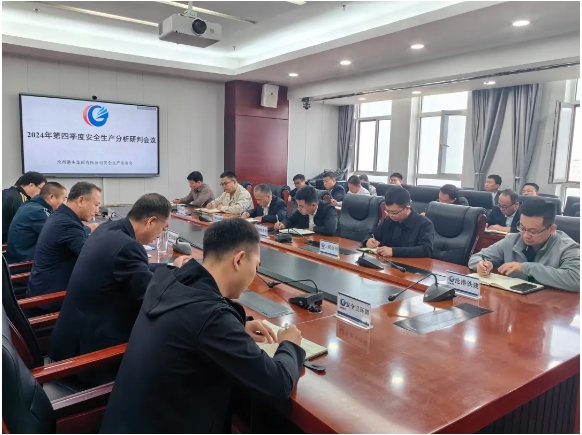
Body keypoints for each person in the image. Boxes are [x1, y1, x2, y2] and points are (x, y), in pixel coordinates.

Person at [100, 218, 306, 433]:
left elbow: (194, 328)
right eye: (256, 266)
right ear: (238, 260)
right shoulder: (211, 317)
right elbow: (277, 384)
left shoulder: (170, 282)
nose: (254, 275)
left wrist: (237, 327)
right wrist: (290, 345)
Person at [49, 193, 190, 385]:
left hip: (69, 340)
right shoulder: (128, 247)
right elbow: (154, 297)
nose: (159, 235)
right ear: (150, 221)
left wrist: (171, 268)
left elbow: (133, 270)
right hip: (91, 358)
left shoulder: (107, 230)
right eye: (163, 229)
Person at [469, 198, 579, 292]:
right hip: (515, 301)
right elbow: (476, 257)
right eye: (522, 228)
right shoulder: (512, 240)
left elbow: (576, 280)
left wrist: (526, 268)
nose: (525, 235)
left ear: (551, 229)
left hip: (552, 304)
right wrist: (482, 265)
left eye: (533, 231)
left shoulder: (567, 247)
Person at [26, 182, 101, 304]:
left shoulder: (60, 215)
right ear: (81, 201)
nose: (97, 211)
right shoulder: (68, 224)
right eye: (96, 205)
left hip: (43, 288)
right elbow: (93, 258)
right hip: (51, 299)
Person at [363, 187, 434, 258]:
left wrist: (394, 251)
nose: (390, 215)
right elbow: (372, 233)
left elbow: (426, 250)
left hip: (410, 263)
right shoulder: (388, 220)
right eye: (387, 211)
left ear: (407, 208)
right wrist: (368, 240)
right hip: (386, 262)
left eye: (394, 213)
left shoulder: (424, 224)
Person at [5, 182, 67, 263]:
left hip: (20, 255)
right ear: (51, 197)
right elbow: (59, 234)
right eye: (63, 199)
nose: (64, 204)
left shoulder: (31, 205)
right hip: (24, 262)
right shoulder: (38, 211)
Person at [2, 171, 47, 243]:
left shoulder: (5, 192)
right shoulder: (22, 199)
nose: (41, 194)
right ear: (31, 185)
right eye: (41, 189)